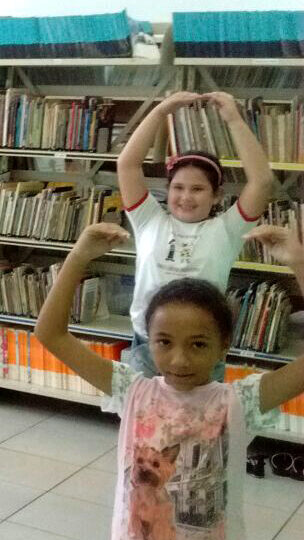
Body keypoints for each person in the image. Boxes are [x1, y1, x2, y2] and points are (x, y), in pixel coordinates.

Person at [34, 222, 304, 540]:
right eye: (164, 342)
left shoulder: (238, 401)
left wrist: (297, 261)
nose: (179, 360)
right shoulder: (132, 391)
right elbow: (49, 333)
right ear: (148, 341)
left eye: (198, 344)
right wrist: (79, 256)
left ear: (224, 345)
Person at [117, 91, 273, 380]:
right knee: (146, 423)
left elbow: (262, 181)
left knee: (200, 423)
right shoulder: (148, 220)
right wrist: (161, 110)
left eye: (198, 189)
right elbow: (127, 165)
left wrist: (234, 119)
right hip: (149, 345)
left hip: (203, 347)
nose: (186, 197)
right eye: (178, 188)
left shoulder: (227, 230)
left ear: (216, 196)